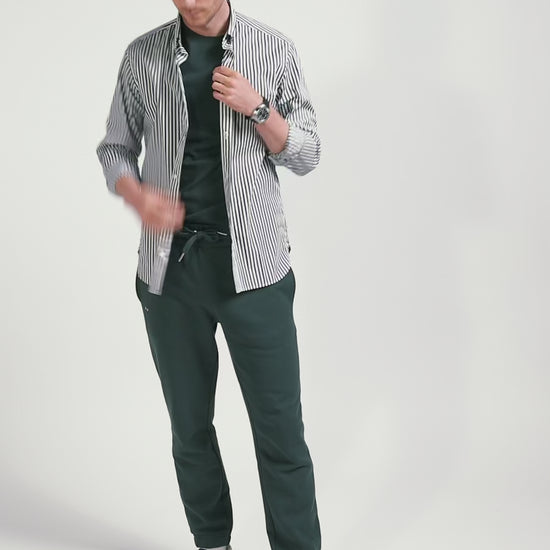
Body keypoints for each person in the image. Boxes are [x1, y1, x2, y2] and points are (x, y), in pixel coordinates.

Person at [96, 1, 322, 549]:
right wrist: (139, 197)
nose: (191, 2)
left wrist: (259, 108)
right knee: (190, 428)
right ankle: (212, 542)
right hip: (170, 274)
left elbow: (308, 153)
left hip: (256, 272)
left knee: (281, 433)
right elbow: (115, 150)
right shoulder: (142, 56)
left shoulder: (273, 48)